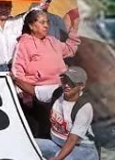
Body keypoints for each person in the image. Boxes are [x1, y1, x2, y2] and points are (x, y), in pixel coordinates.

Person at [13, 8, 82, 137]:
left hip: (58, 94)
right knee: (41, 134)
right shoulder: (23, 44)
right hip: (38, 98)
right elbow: (17, 72)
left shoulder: (53, 41)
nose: (46, 26)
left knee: (58, 133)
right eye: (42, 22)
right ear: (31, 26)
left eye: (47, 22)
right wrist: (27, 97)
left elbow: (69, 49)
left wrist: (74, 30)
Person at [35, 67, 98, 160]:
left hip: (83, 150)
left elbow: (72, 140)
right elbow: (34, 91)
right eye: (65, 80)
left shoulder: (84, 107)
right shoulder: (57, 91)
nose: (67, 85)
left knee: (63, 159)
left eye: (72, 83)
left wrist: (58, 159)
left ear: (81, 86)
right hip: (57, 144)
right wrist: (14, 79)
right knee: (30, 144)